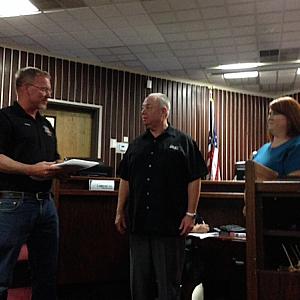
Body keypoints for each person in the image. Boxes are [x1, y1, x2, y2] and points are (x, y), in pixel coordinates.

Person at [115, 93, 208, 300]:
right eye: (142, 108)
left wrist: (190, 214)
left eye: (147, 107)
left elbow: (194, 179)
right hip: (139, 224)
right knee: (138, 284)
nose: (142, 112)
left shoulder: (183, 142)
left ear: (164, 111)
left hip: (169, 226)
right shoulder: (137, 144)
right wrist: (119, 211)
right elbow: (126, 179)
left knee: (168, 285)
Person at [0, 67, 63, 300]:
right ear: (25, 88)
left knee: (46, 272)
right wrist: (29, 169)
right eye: (44, 89)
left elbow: (53, 158)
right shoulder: (5, 118)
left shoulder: (46, 125)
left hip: (46, 205)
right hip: (14, 203)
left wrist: (61, 169)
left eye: (49, 90)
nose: (48, 94)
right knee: (2, 271)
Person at [253, 96, 300, 177]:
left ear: (290, 117)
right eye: (270, 114)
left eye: (275, 113)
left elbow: (294, 186)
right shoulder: (263, 149)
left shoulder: (297, 146)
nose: (270, 118)